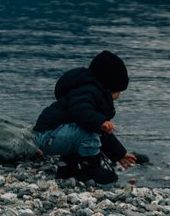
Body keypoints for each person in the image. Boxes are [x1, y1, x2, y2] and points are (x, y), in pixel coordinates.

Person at [33, 50, 136, 183]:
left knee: (85, 131)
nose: (119, 96)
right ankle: (92, 169)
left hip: (54, 134)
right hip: (49, 135)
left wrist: (119, 154)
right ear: (109, 85)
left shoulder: (91, 92)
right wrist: (100, 122)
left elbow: (101, 132)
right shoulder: (87, 91)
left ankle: (67, 171)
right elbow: (81, 112)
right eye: (118, 91)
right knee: (87, 134)